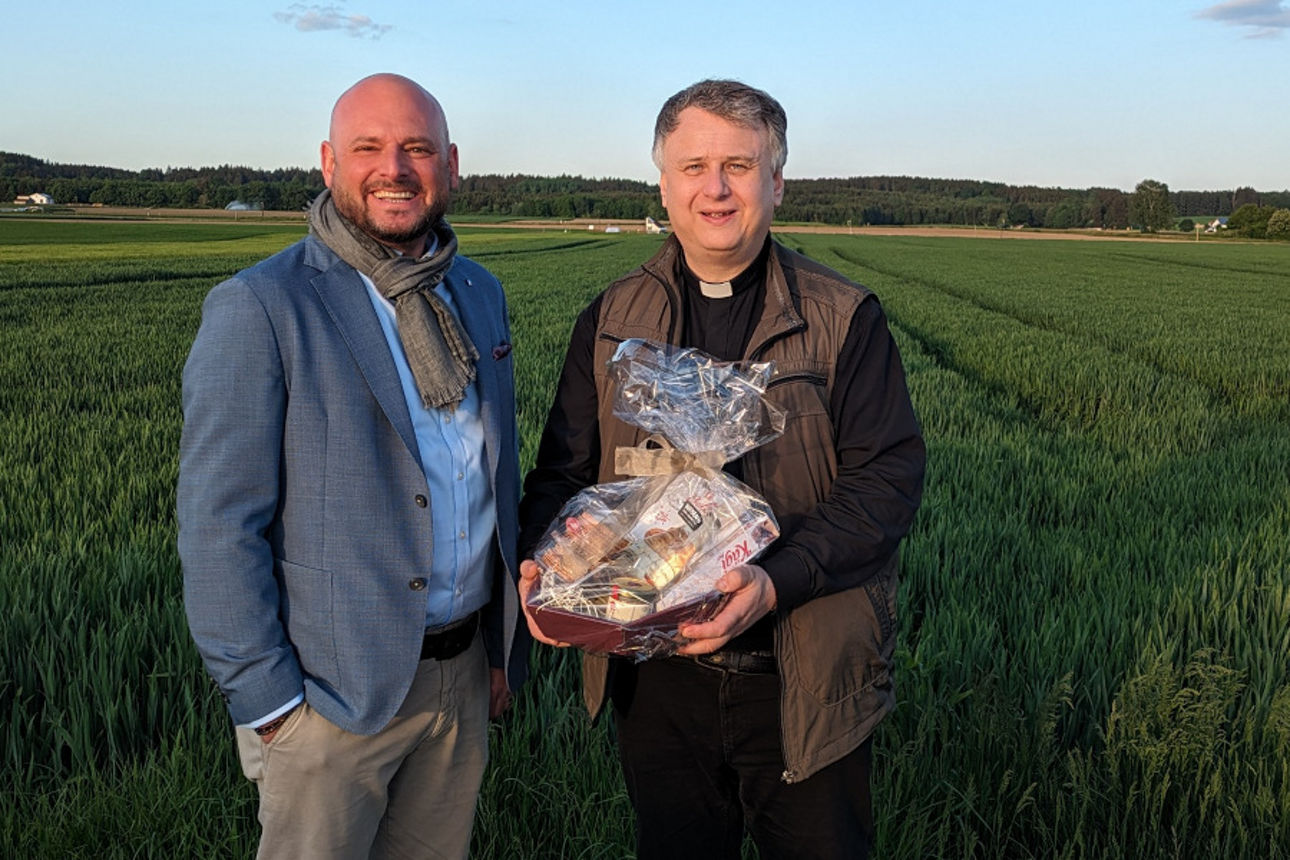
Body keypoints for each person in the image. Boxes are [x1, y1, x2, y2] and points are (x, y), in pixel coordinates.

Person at [517, 79, 925, 859]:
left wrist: (777, 580)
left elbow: (887, 480)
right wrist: (546, 562)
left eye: (739, 165)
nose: (716, 188)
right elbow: (563, 475)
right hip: (656, 679)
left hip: (801, 670)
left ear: (776, 182)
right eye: (694, 165)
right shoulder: (609, 322)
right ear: (663, 180)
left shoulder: (845, 317)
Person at [178, 73, 529, 860]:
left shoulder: (477, 292)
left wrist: (499, 652)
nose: (394, 168)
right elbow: (216, 525)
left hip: (462, 677)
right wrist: (271, 706)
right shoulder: (262, 306)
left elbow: (491, 481)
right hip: (330, 699)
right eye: (369, 147)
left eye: (417, 148)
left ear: (452, 164)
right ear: (330, 162)